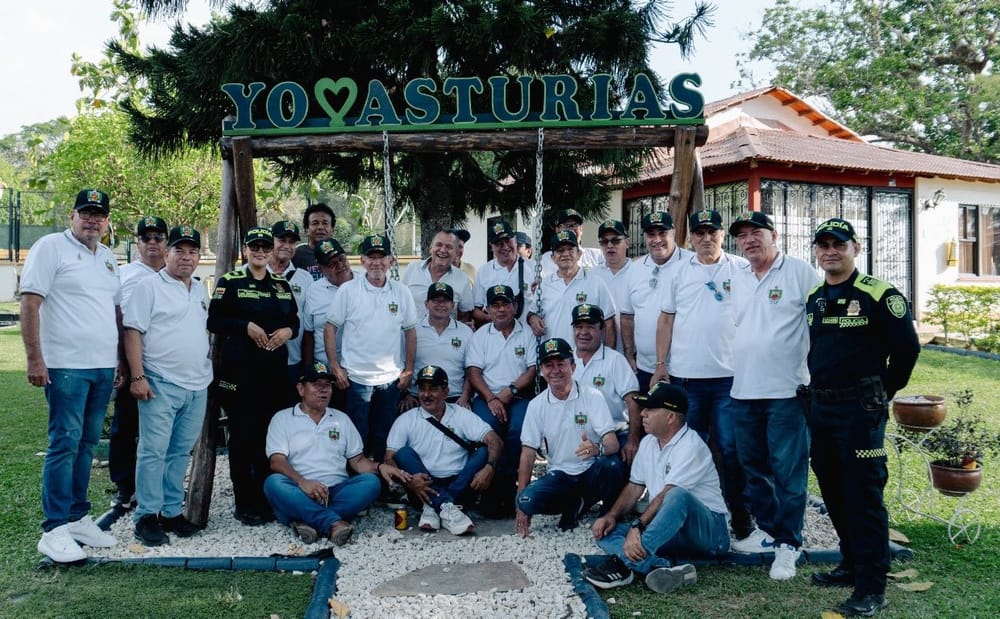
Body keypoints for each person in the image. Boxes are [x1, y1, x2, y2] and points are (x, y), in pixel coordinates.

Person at [805, 218, 919, 617]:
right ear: (816, 251)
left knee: (863, 495)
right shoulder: (816, 297)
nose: (830, 251)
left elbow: (907, 350)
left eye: (839, 244)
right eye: (823, 245)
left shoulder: (879, 294)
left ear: (856, 247)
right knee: (833, 490)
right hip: (821, 407)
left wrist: (883, 391)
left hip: (860, 411)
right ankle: (851, 563)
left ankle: (872, 587)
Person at [20, 188, 120, 562]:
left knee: (87, 443)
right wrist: (35, 359)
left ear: (107, 220)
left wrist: (119, 363)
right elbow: (30, 301)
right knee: (64, 441)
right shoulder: (50, 247)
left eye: (99, 214)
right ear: (72, 215)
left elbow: (114, 311)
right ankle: (54, 527)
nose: (92, 219)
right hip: (65, 365)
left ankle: (78, 516)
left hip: (101, 366)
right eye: (86, 212)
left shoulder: (108, 258)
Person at [651, 209, 754, 550]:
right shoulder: (679, 272)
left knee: (728, 448)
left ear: (722, 234)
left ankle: (739, 517)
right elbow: (665, 320)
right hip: (688, 380)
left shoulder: (741, 268)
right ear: (690, 237)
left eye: (712, 232)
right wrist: (661, 364)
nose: (706, 238)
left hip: (729, 378)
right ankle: (688, 517)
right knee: (690, 449)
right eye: (699, 233)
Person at [727, 210, 818, 580]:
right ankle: (767, 532)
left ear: (774, 235)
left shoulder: (799, 273)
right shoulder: (739, 277)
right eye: (742, 235)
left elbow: (819, 326)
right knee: (755, 469)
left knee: (789, 472)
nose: (749, 239)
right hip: (744, 389)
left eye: (756, 232)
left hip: (786, 391)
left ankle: (788, 545)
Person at [584, 382, 730, 594]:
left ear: (670, 417)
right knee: (607, 531)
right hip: (671, 528)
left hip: (711, 533)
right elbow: (635, 486)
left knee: (678, 494)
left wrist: (638, 527)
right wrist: (612, 515)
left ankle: (623, 566)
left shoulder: (691, 446)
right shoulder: (649, 443)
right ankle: (658, 567)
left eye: (650, 409)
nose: (642, 413)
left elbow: (668, 495)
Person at [123, 226, 212, 546]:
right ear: (167, 253)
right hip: (159, 381)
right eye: (179, 250)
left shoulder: (201, 289)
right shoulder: (149, 287)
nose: (186, 257)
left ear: (199, 257)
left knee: (178, 452)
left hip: (197, 384)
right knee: (153, 451)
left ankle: (171, 512)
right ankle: (146, 515)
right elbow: (132, 331)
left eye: (192, 251)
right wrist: (137, 376)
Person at [209, 226, 299, 526]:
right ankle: (244, 501)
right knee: (242, 439)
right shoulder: (231, 281)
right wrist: (245, 326)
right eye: (254, 246)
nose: (260, 251)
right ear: (244, 250)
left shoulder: (280, 285)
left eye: (264, 246)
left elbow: (295, 322)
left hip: (273, 375)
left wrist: (288, 331)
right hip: (239, 375)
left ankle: (265, 497)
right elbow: (214, 319)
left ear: (271, 250)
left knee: (269, 439)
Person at [264, 361, 410, 545]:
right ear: (301, 389)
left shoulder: (341, 419)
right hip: (299, 489)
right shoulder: (282, 418)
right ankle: (332, 523)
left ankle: (305, 519)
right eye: (316, 385)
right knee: (273, 483)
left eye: (327, 385)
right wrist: (303, 482)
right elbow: (277, 462)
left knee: (371, 483)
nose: (323, 390)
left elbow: (358, 461)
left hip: (336, 491)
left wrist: (380, 467)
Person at [515, 338, 624, 536]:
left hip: (591, 469)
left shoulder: (592, 395)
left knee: (613, 465)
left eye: (561, 364)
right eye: (549, 365)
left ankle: (607, 515)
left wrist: (596, 449)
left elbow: (612, 443)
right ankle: (574, 504)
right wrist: (520, 498)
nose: (555, 370)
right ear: (541, 371)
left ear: (572, 367)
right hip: (561, 473)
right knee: (526, 501)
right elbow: (528, 452)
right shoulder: (536, 405)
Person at [325, 233, 418, 461]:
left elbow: (411, 331)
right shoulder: (348, 290)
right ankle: (359, 488)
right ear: (362, 260)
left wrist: (408, 369)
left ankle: (383, 487)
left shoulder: (402, 292)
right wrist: (335, 367)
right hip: (357, 380)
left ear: (391, 261)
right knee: (357, 439)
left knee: (385, 438)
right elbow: (330, 328)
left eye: (382, 257)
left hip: (391, 380)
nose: (377, 262)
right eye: (371, 257)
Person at [385, 365, 503, 535]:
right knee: (403, 454)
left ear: (446, 392)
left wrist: (490, 467)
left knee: (484, 452)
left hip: (460, 486)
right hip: (422, 489)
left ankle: (435, 507)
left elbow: (495, 440)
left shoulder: (461, 414)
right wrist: (408, 481)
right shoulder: (406, 420)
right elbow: (389, 459)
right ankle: (448, 508)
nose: (426, 395)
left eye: (432, 389)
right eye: (422, 389)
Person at [108, 215, 168, 513]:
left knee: (160, 431)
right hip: (133, 363)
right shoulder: (124, 275)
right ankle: (125, 488)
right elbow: (116, 322)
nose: (153, 243)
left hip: (167, 366)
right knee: (126, 426)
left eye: (159, 237)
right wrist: (122, 362)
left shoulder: (177, 275)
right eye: (147, 238)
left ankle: (160, 487)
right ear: (138, 243)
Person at [465, 284, 538, 516]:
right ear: (487, 309)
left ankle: (509, 490)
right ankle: (488, 491)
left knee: (518, 431)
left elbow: (532, 369)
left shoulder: (526, 333)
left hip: (517, 395)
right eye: (495, 305)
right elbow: (474, 372)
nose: (501, 309)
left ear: (515, 306)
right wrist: (491, 398)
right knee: (488, 431)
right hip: (487, 396)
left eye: (506, 304)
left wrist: (511, 390)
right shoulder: (480, 336)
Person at [619, 211, 692, 390]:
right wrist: (629, 354)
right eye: (651, 234)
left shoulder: (692, 264)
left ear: (673, 232)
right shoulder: (634, 269)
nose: (657, 239)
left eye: (662, 233)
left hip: (684, 370)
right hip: (645, 367)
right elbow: (627, 317)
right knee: (647, 417)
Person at [570, 303, 642, 464]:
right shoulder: (563, 362)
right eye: (578, 327)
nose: (583, 333)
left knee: (607, 470)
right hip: (575, 437)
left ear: (602, 330)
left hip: (614, 436)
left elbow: (633, 402)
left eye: (590, 327)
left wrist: (633, 441)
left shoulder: (615, 360)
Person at [525, 230, 616, 347]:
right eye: (560, 250)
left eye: (570, 249)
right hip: (555, 360)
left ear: (579, 254)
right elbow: (531, 313)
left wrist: (608, 357)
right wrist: (532, 318)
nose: (565, 254)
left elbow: (609, 323)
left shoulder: (596, 283)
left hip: (587, 360)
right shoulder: (544, 285)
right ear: (553, 258)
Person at [402, 282, 474, 411]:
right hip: (418, 397)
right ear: (426, 304)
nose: (440, 305)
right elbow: (402, 364)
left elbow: (471, 370)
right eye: (435, 300)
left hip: (455, 397)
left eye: (445, 301)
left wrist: (465, 397)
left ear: (453, 305)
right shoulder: (412, 330)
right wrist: (405, 394)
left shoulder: (466, 332)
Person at [300, 238, 354, 410]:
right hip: (325, 374)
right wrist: (309, 373)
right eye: (331, 264)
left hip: (359, 373)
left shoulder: (364, 283)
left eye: (341, 259)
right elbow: (308, 334)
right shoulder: (314, 291)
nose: (339, 265)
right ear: (321, 269)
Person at [270, 221, 314, 402]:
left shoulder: (305, 278)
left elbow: (308, 324)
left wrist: (306, 363)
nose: (287, 246)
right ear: (271, 241)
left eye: (292, 242)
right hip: (258, 362)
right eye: (282, 240)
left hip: (293, 362)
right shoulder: (251, 273)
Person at [400, 228, 474, 323]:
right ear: (431, 248)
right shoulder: (412, 269)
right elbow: (401, 301)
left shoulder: (462, 278)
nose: (443, 250)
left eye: (449, 247)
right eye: (439, 245)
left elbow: (465, 314)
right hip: (412, 334)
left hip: (444, 336)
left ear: (456, 252)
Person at [472, 220, 535, 325]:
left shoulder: (533, 268)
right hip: (496, 337)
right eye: (499, 243)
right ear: (491, 246)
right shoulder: (484, 272)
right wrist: (495, 318)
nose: (505, 246)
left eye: (508, 240)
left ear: (515, 240)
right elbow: (475, 310)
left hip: (528, 335)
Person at [592, 219, 634, 353]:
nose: (609, 245)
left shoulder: (639, 272)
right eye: (604, 242)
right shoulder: (591, 276)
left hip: (636, 353)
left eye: (615, 240)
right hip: (603, 350)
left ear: (627, 243)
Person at [537, 208, 605, 277]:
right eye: (566, 226)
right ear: (557, 230)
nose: (571, 230)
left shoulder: (596, 256)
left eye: (574, 225)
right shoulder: (546, 259)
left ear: (581, 229)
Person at [292, 202, 336, 280]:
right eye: (315, 223)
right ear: (306, 230)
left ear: (332, 229)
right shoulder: (296, 254)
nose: (320, 227)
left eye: (325, 223)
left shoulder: (337, 254)